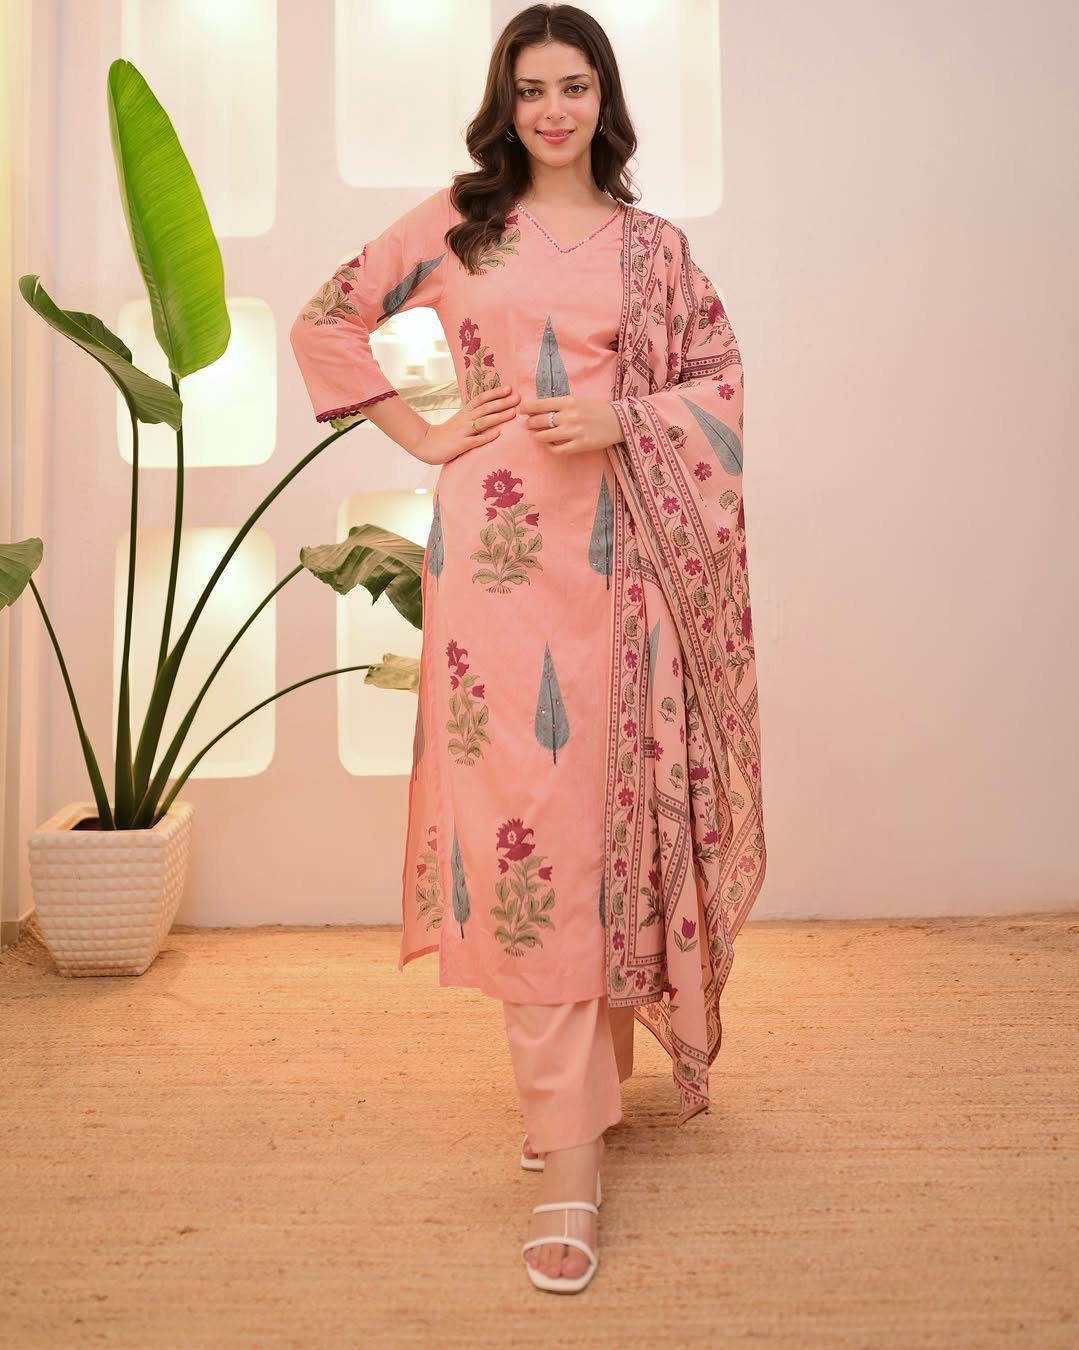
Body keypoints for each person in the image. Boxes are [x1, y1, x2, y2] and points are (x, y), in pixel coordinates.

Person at [291, 2, 766, 1295]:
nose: (552, 109)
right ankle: (566, 1151)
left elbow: (721, 381)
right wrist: (428, 428)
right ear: (503, 102)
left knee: (605, 826)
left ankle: (580, 1101)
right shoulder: (459, 220)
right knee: (528, 832)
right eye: (530, 87)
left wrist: (621, 413)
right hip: (497, 566)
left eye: (573, 86)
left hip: (624, 565)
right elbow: (327, 319)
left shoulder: (654, 248)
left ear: (604, 102)